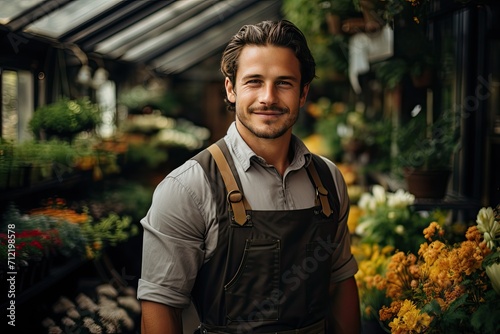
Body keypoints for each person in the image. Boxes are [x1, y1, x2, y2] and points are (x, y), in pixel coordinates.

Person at [138, 20, 361, 334]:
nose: (268, 97)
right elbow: (160, 308)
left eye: (284, 83)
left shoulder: (329, 180)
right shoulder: (187, 187)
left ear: (303, 92)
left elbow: (340, 282)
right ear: (230, 89)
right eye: (254, 81)